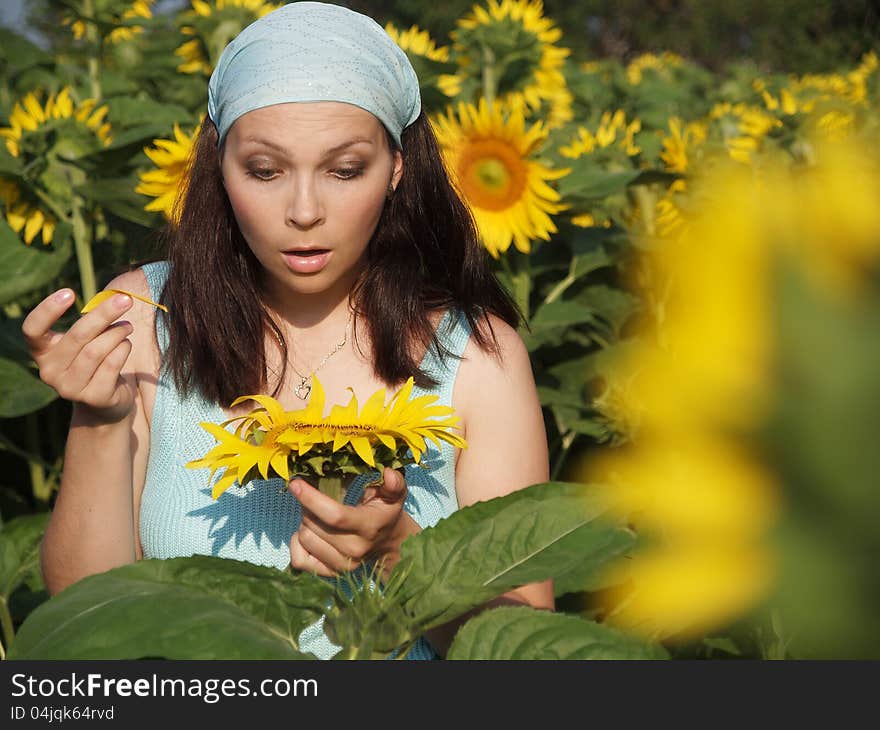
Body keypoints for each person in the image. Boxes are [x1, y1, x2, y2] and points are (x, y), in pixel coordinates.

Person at [22, 1, 552, 659]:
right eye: (266, 171)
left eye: (345, 169)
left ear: (396, 167)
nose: (304, 211)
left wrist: (399, 558)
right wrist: (99, 420)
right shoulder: (145, 320)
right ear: (219, 168)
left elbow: (526, 653)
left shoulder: (478, 357)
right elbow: (92, 620)